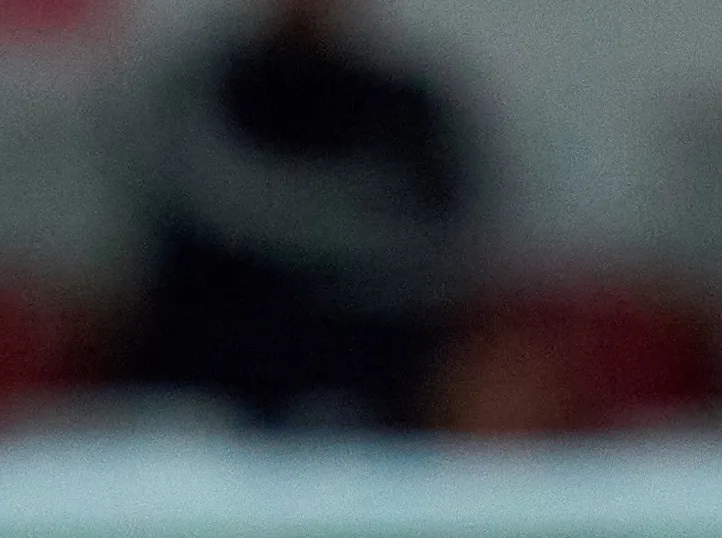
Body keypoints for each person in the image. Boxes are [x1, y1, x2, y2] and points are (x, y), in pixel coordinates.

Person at [112, 0, 486, 431]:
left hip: (360, 362)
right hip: (210, 360)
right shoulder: (200, 92)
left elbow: (434, 243)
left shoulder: (408, 109)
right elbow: (178, 211)